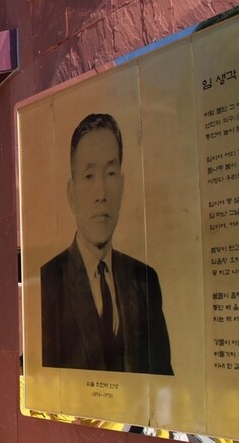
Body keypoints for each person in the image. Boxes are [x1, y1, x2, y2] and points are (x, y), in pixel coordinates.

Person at [40, 113, 173, 375]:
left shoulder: (144, 280)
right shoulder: (49, 280)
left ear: (121, 186)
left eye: (110, 173)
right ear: (71, 193)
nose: (101, 193)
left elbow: (162, 374)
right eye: (89, 176)